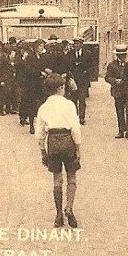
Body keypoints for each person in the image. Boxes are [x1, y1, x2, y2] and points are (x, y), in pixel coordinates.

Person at [34, 73, 82, 228]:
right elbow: (75, 128)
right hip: (67, 140)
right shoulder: (69, 105)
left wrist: (43, 151)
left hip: (53, 141)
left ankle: (58, 214)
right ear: (61, 88)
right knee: (72, 177)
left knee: (57, 179)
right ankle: (69, 207)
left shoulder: (44, 107)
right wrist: (78, 148)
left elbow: (40, 133)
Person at [104, 44, 128, 140]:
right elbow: (107, 77)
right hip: (118, 91)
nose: (123, 56)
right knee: (120, 111)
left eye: (124, 54)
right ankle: (121, 130)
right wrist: (115, 80)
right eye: (121, 55)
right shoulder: (112, 65)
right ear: (117, 55)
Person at [68, 38, 93, 125]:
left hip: (83, 80)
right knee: (73, 99)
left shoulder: (88, 54)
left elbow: (91, 66)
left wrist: (86, 72)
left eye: (78, 44)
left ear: (82, 44)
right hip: (74, 80)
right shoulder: (70, 54)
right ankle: (75, 116)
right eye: (75, 44)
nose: (76, 46)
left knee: (82, 99)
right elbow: (67, 65)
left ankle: (82, 117)